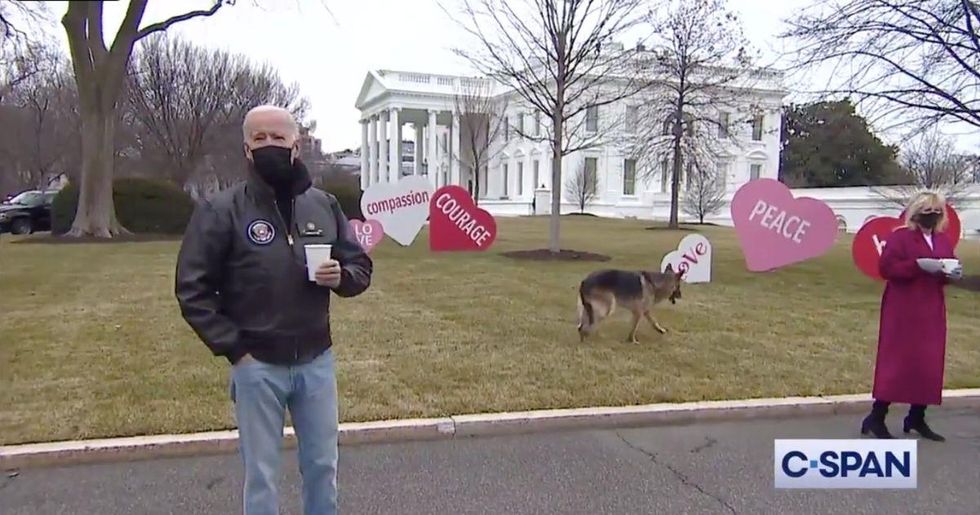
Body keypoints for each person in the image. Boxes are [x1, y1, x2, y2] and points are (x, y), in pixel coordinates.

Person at [175, 105, 372, 515]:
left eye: (278, 139)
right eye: (260, 139)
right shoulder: (221, 211)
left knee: (322, 466)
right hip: (256, 366)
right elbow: (192, 290)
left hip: (316, 361)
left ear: (295, 145)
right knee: (261, 475)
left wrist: (343, 277)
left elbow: (359, 265)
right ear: (247, 148)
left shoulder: (323, 205)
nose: (270, 146)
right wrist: (235, 349)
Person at [861, 191, 960, 441]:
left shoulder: (942, 240)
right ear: (915, 213)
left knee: (927, 362)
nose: (932, 216)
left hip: (931, 309)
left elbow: (946, 267)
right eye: (926, 211)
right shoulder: (901, 238)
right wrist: (917, 265)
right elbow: (887, 268)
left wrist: (951, 272)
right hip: (903, 308)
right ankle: (877, 416)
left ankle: (917, 415)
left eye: (936, 211)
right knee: (897, 362)